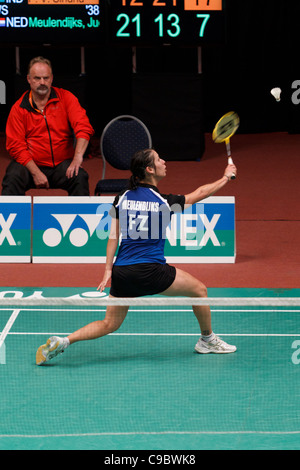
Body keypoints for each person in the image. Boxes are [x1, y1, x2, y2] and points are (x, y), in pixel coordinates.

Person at [36, 148, 238, 365]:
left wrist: (107, 271)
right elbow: (200, 193)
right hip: (151, 270)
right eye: (159, 159)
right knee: (200, 290)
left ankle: (65, 341)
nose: (164, 161)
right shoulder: (163, 202)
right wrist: (226, 177)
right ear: (149, 169)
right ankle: (207, 339)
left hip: (122, 272)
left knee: (109, 324)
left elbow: (113, 236)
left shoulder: (121, 198)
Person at [2, 56, 94, 196]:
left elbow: (83, 127)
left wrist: (77, 158)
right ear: (28, 79)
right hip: (30, 164)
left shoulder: (66, 98)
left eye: (46, 78)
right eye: (37, 78)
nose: (42, 82)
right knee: (12, 176)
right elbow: (15, 146)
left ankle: (80, 217)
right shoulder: (19, 108)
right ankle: (7, 218)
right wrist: (36, 172)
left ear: (51, 78)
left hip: (62, 164)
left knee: (79, 176)